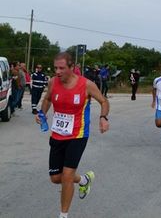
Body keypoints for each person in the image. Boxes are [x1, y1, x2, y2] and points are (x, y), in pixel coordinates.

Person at [35, 52, 109, 218]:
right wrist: (42, 113)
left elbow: (104, 101)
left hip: (78, 135)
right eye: (55, 68)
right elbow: (47, 99)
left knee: (67, 176)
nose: (58, 71)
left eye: (61, 68)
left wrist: (103, 118)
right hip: (57, 135)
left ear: (72, 67)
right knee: (56, 178)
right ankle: (83, 180)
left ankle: (63, 215)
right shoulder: (53, 82)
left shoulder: (86, 85)